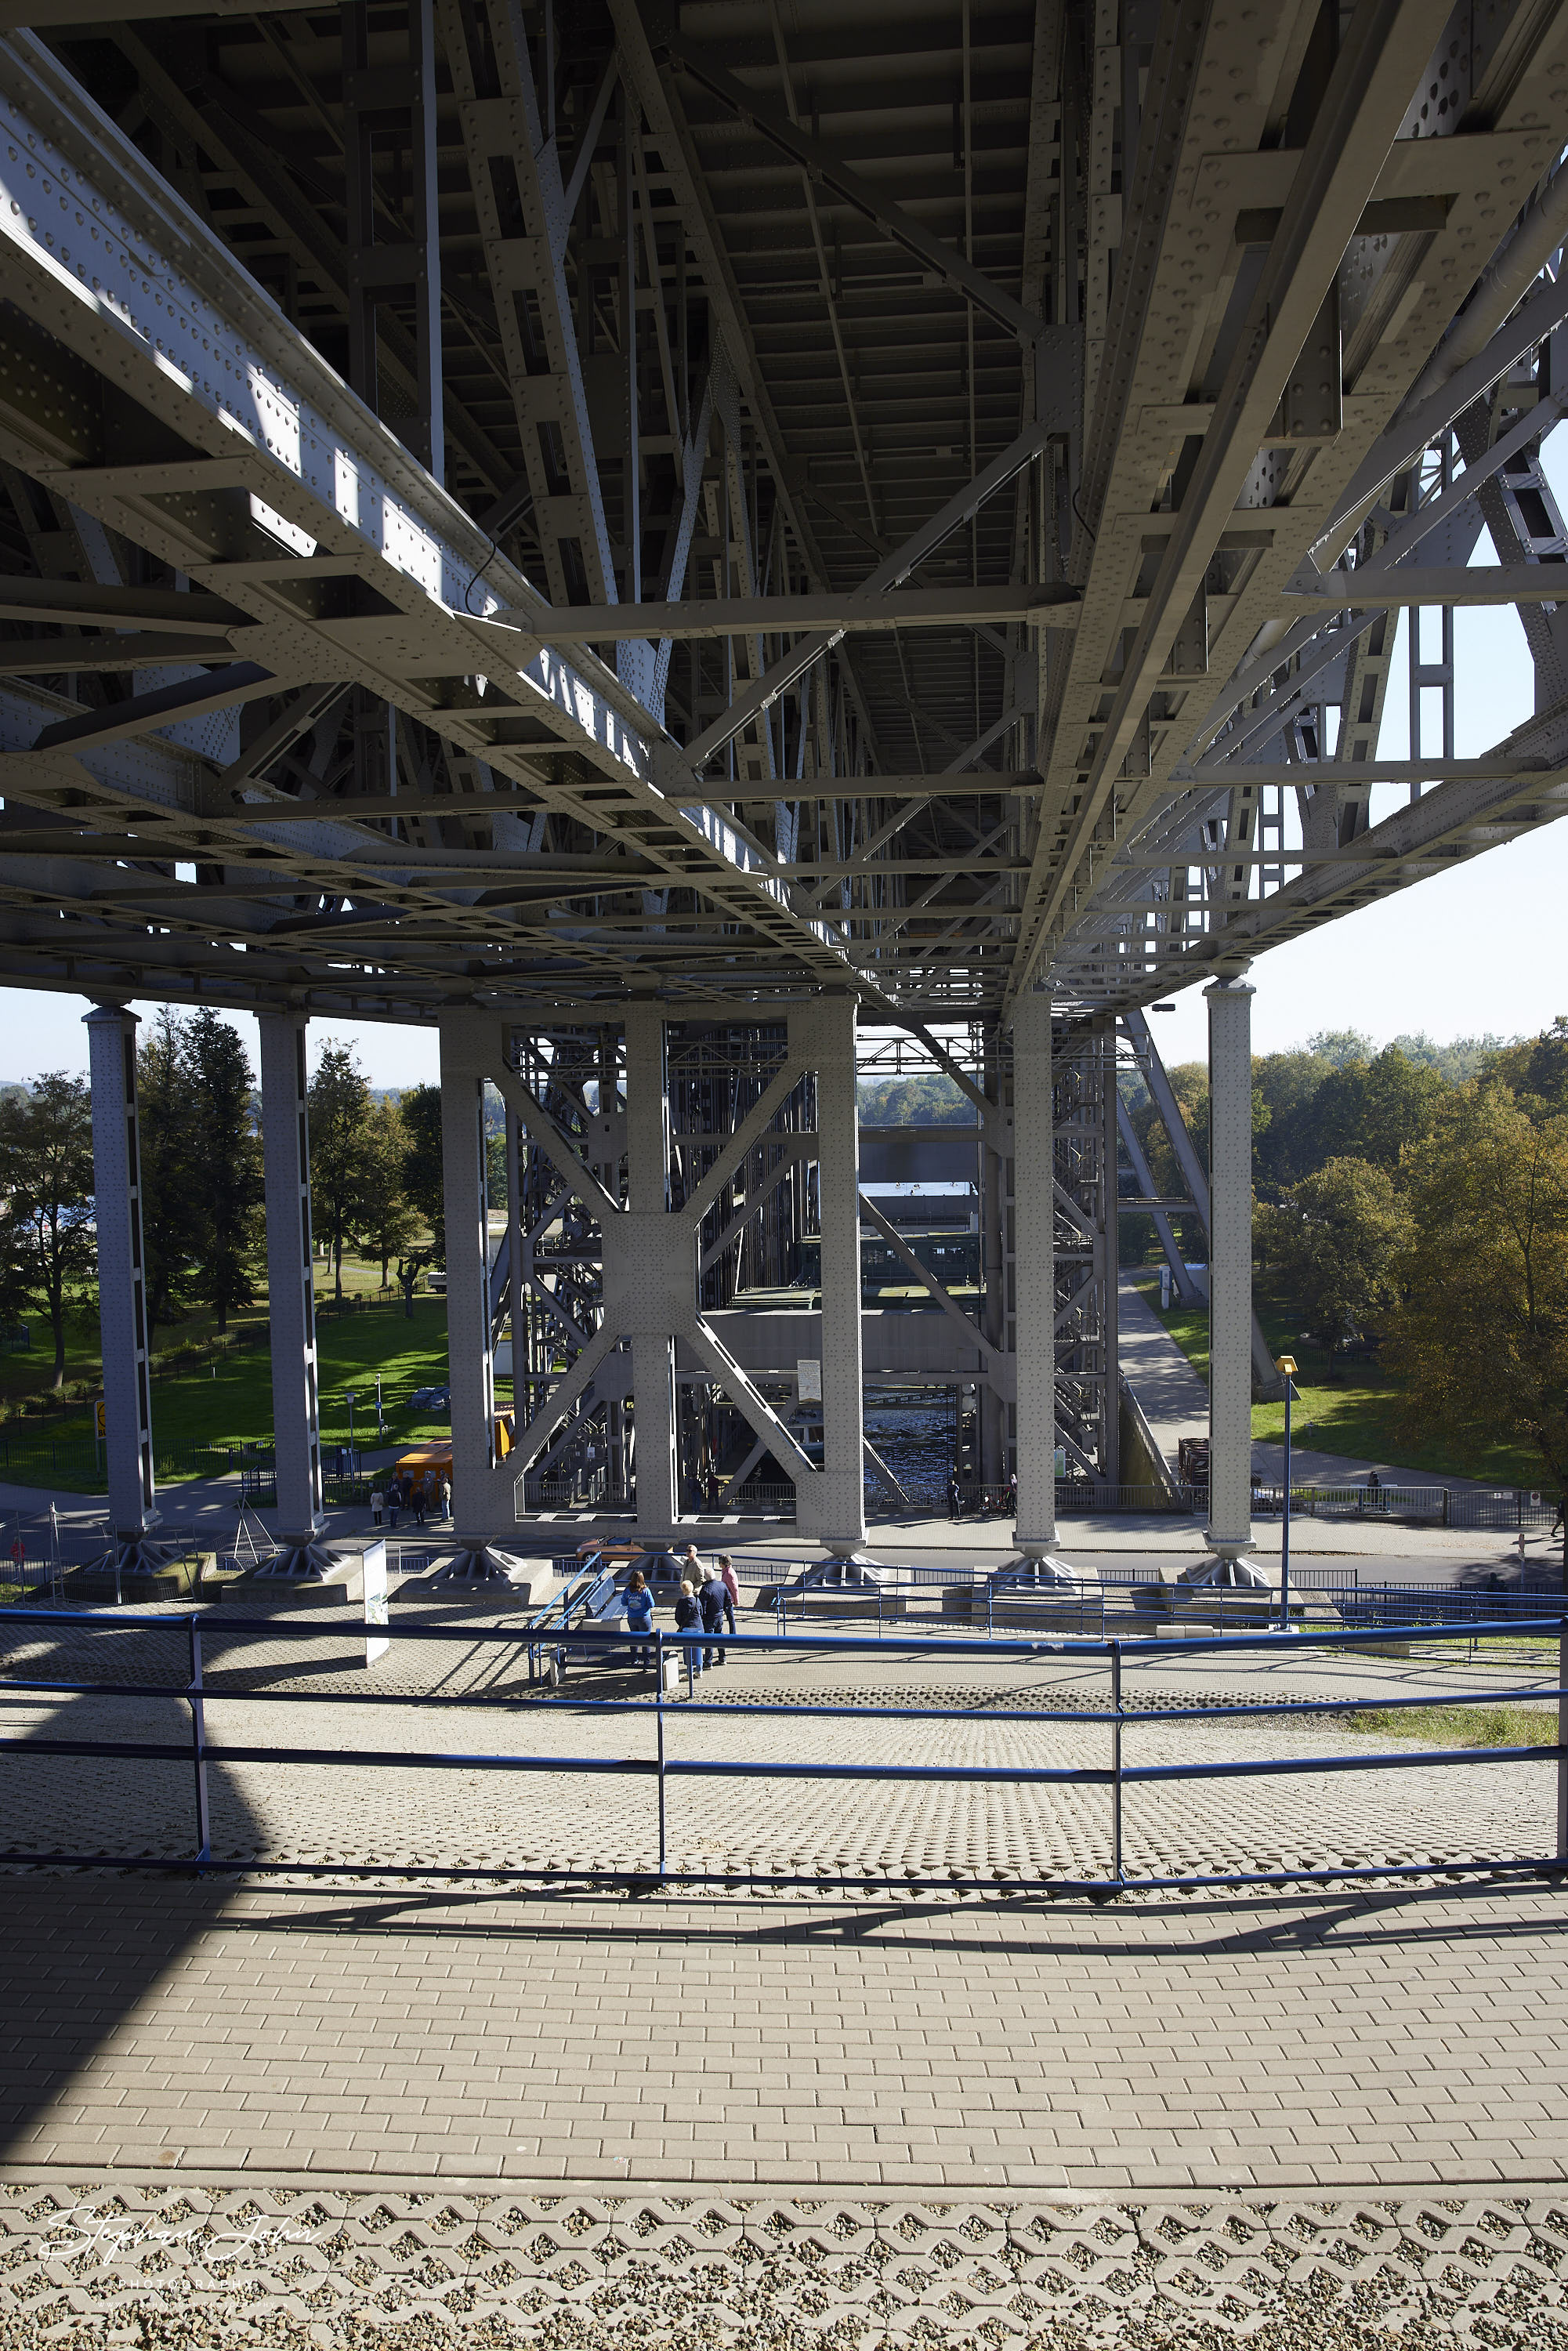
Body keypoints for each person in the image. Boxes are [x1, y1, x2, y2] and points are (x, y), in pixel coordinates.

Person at [621, 1567, 654, 1670]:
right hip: (644, 1618)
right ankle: (646, 1663)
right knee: (646, 1641)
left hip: (632, 1618)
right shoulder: (645, 1591)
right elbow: (652, 1604)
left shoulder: (627, 1590)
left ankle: (634, 1660)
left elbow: (623, 1602)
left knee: (634, 1639)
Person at [674, 1578, 704, 1679]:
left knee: (688, 1651)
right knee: (698, 1649)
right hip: (698, 1627)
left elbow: (677, 1617)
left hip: (687, 1629)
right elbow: (701, 1613)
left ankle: (689, 1673)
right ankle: (699, 1670)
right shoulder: (697, 1600)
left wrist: (681, 1624)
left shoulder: (681, 1602)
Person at [700, 1563, 730, 1666]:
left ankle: (708, 1662)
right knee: (719, 1636)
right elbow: (728, 1600)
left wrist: (703, 1617)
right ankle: (722, 1658)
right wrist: (724, 1610)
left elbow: (702, 1607)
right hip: (719, 1616)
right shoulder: (722, 1585)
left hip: (709, 1618)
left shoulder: (705, 1589)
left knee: (709, 1639)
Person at [718, 1550, 740, 1641]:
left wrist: (736, 1601)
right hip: (725, 1598)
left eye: (720, 1562)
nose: (719, 1563)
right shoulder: (726, 1571)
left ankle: (733, 1635)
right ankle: (732, 1635)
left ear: (724, 1563)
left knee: (730, 1617)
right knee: (728, 1617)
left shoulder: (729, 1573)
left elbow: (734, 1589)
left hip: (728, 1599)